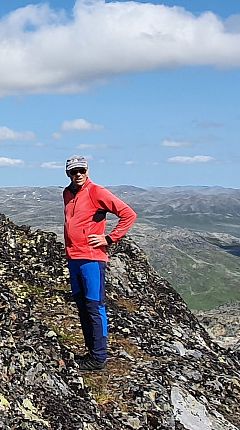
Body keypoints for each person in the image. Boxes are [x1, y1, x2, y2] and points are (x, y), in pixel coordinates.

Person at [62, 155, 137, 371]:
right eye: (73, 171)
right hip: (73, 257)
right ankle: (91, 353)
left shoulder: (97, 191)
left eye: (81, 171)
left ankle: (99, 358)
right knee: (83, 306)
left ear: (87, 171)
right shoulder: (67, 193)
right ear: (68, 173)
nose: (78, 175)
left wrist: (109, 238)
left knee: (95, 306)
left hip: (92, 258)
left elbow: (128, 214)